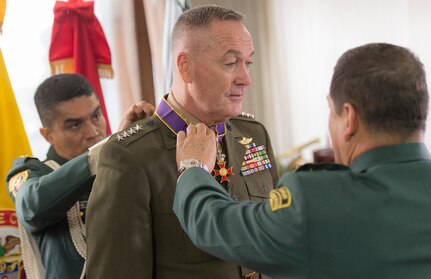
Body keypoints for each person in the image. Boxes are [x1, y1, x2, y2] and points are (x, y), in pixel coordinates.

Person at [173, 43, 431, 279]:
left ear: (349, 118)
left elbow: (216, 224)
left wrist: (193, 166)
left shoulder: (317, 202)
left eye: (331, 111)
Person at [85, 5, 279, 279]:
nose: (245, 79)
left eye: (248, 63)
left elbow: (280, 238)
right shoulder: (129, 155)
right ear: (186, 67)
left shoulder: (253, 133)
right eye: (231, 62)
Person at [6, 73, 154, 279]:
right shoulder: (32, 171)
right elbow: (32, 206)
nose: (93, 132)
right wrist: (107, 150)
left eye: (96, 116)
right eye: (75, 125)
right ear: (47, 134)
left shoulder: (124, 163)